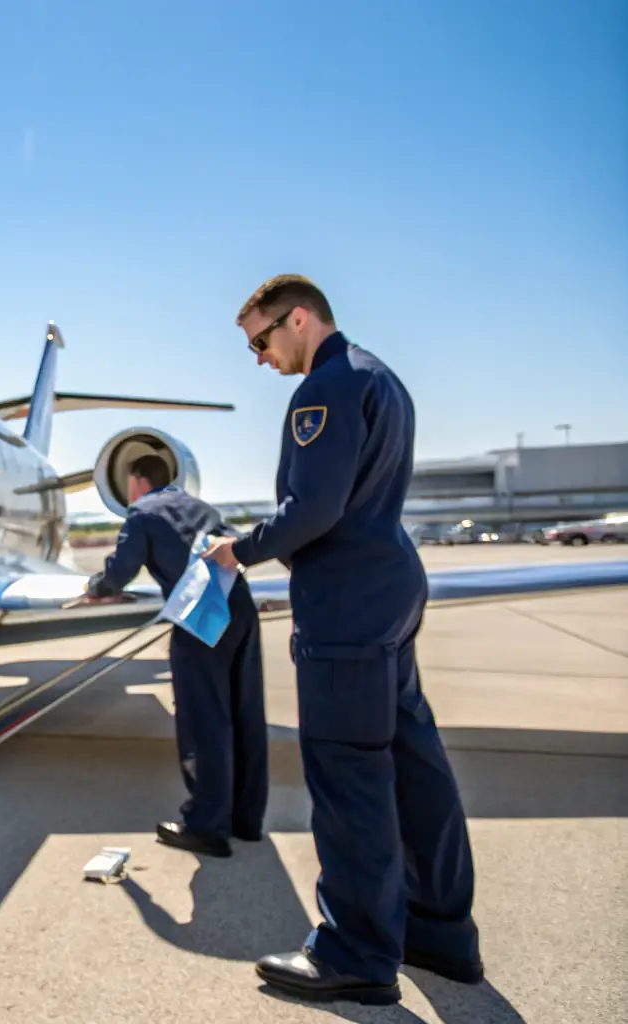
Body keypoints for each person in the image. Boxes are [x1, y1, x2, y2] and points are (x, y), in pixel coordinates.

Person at [204, 274, 481, 1006]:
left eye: (261, 340)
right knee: (413, 764)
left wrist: (242, 548)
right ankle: (439, 931)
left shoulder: (323, 389)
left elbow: (313, 508)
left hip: (346, 605)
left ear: (299, 320)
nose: (260, 358)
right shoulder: (379, 378)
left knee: (349, 778)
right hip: (388, 589)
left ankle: (356, 952)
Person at [77, 455, 268, 858]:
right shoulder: (200, 507)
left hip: (201, 614)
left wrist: (96, 584)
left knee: (205, 720)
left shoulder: (142, 514)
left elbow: (119, 573)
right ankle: (246, 819)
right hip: (241, 607)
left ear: (138, 481)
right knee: (243, 712)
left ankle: (207, 826)